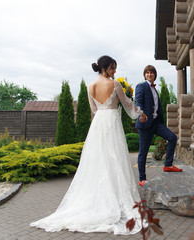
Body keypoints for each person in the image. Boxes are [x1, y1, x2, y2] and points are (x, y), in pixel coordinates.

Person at [30, 55, 148, 235]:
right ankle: (114, 198)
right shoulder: (115, 84)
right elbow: (127, 104)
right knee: (114, 159)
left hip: (98, 125)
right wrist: (141, 113)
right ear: (105, 68)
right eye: (112, 68)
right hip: (111, 123)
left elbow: (94, 111)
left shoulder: (90, 86)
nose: (115, 71)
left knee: (99, 161)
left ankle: (101, 196)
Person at [135, 65, 182, 187]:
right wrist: (140, 113)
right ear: (144, 75)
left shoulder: (154, 90)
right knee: (143, 152)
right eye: (147, 73)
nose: (149, 74)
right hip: (145, 123)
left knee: (172, 137)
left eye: (151, 73)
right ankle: (142, 179)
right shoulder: (141, 86)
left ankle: (168, 165)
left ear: (155, 75)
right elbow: (138, 102)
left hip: (156, 123)